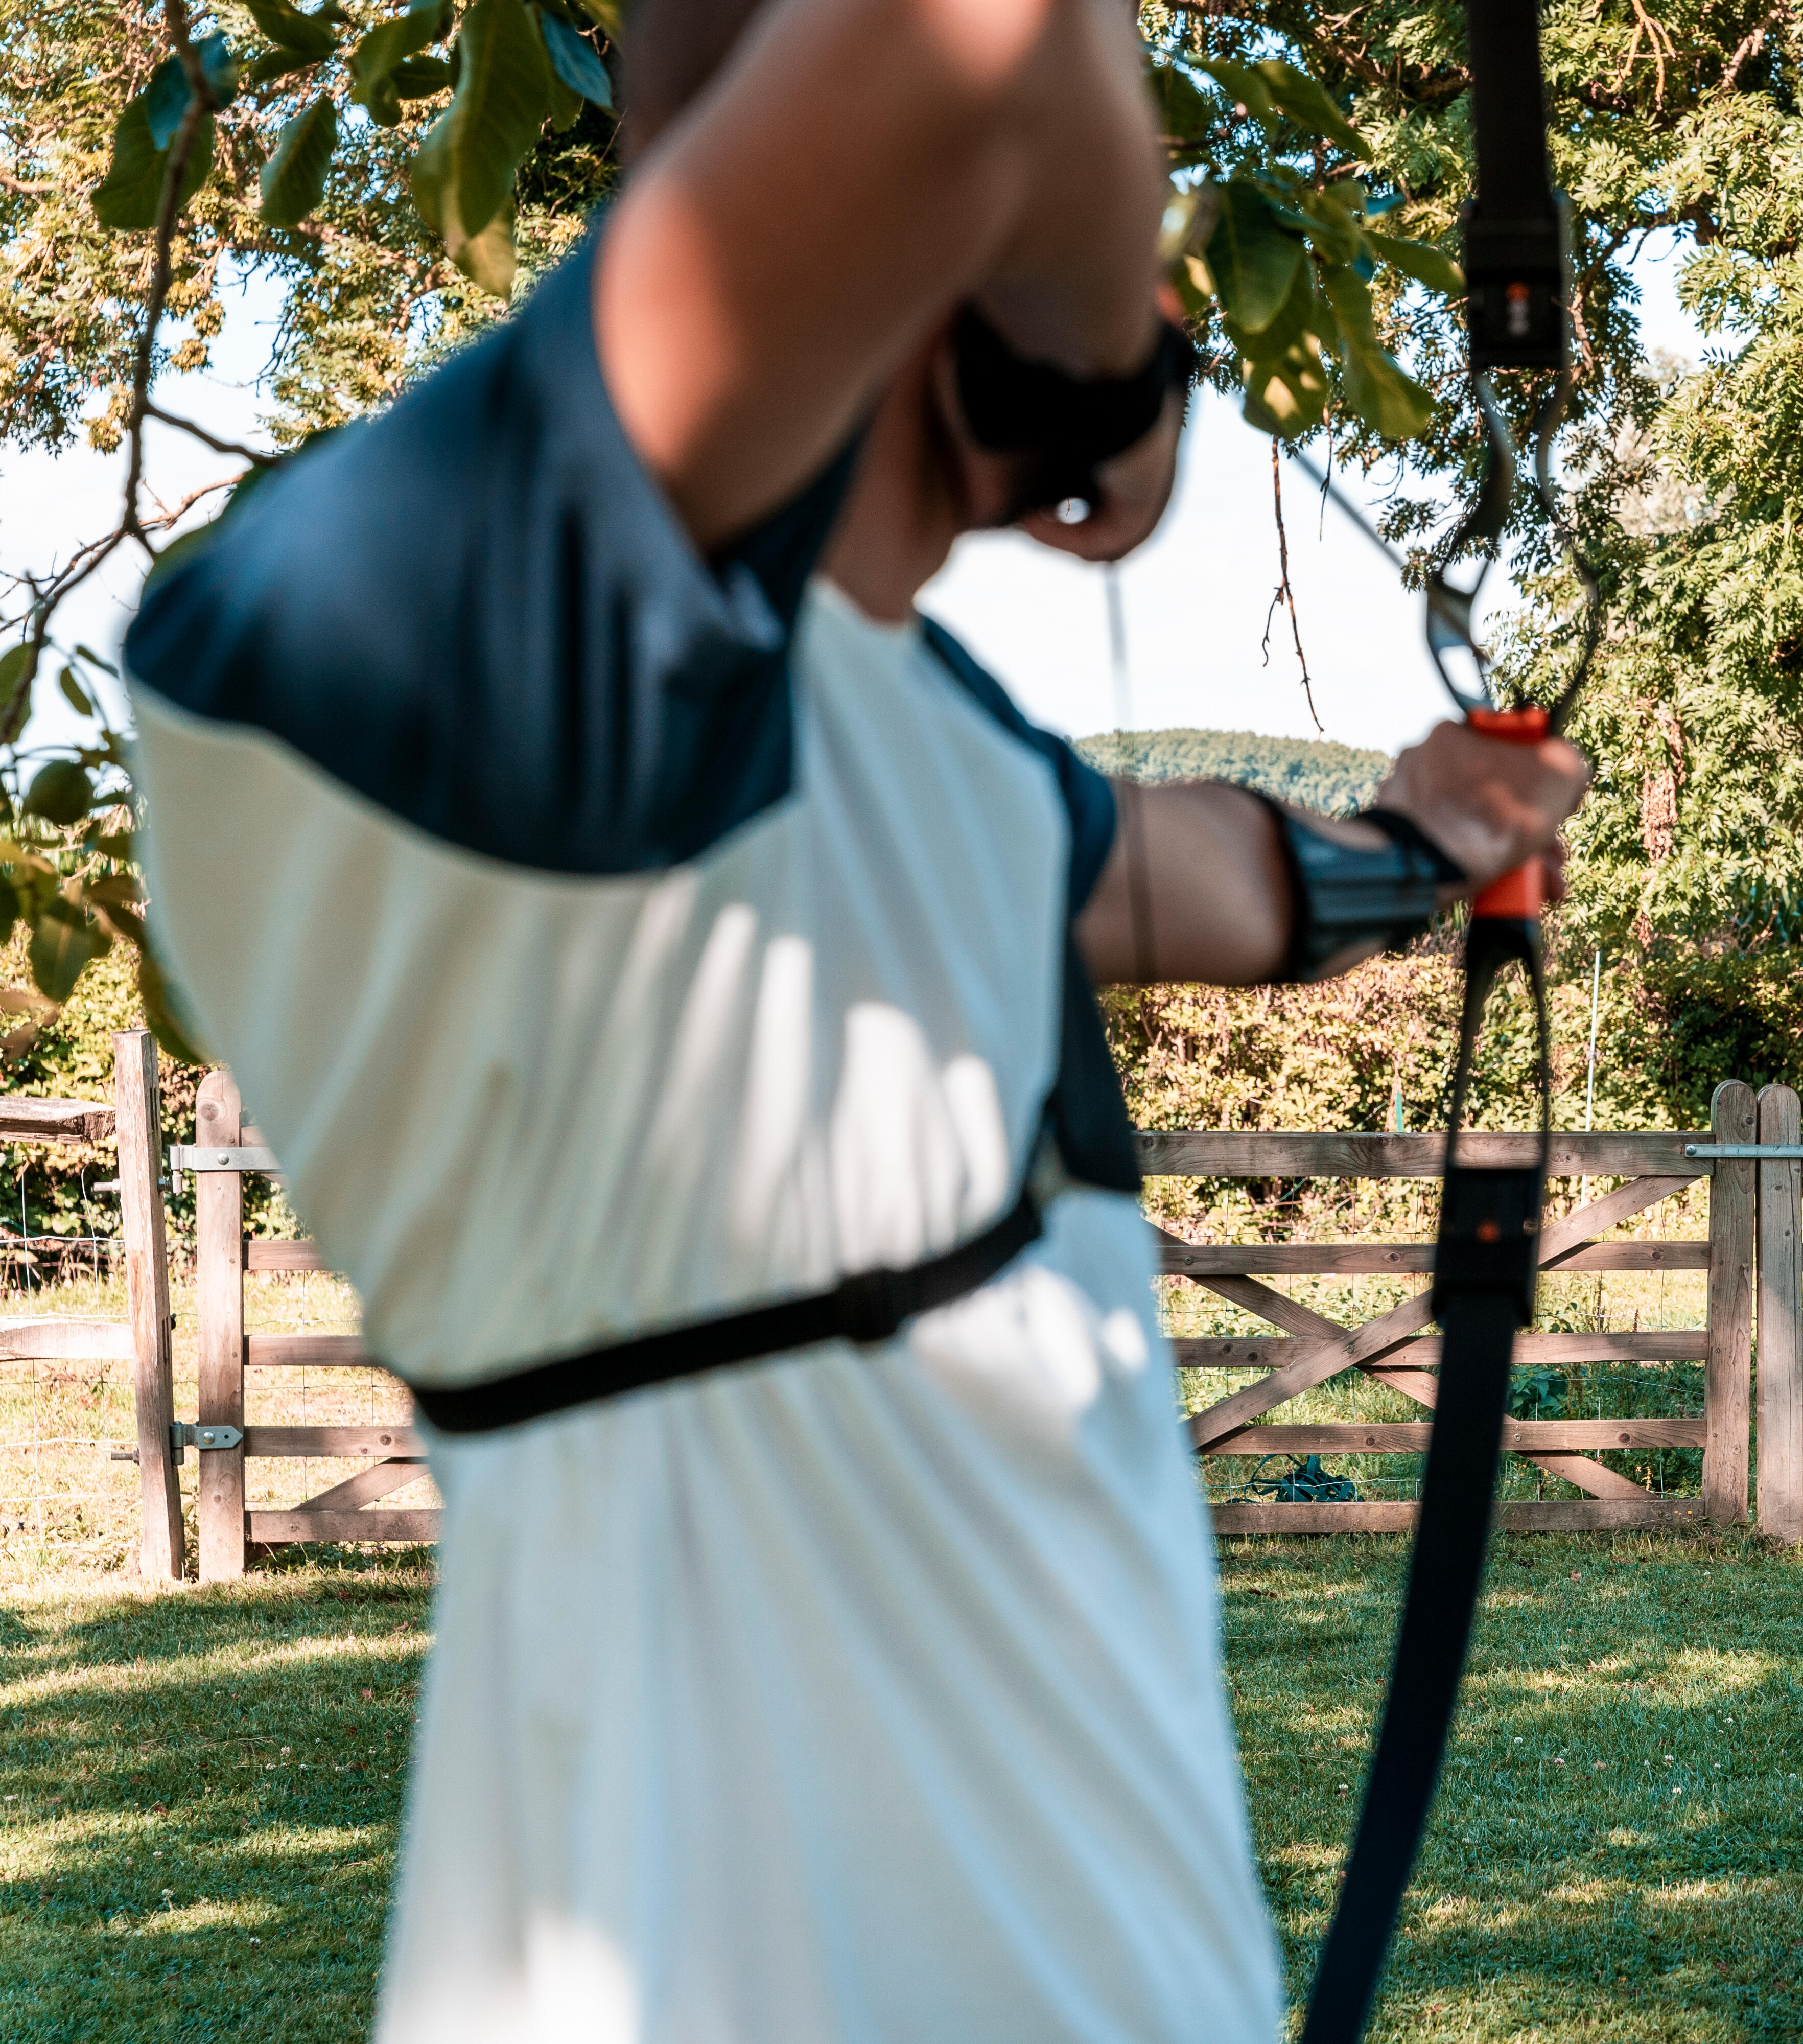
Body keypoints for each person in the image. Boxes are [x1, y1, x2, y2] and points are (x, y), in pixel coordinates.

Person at [116, 0, 1590, 2032]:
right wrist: (1113, 397)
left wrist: (1428, 839)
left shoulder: (903, 729)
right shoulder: (399, 636)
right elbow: (979, 35)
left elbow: (1168, 873)